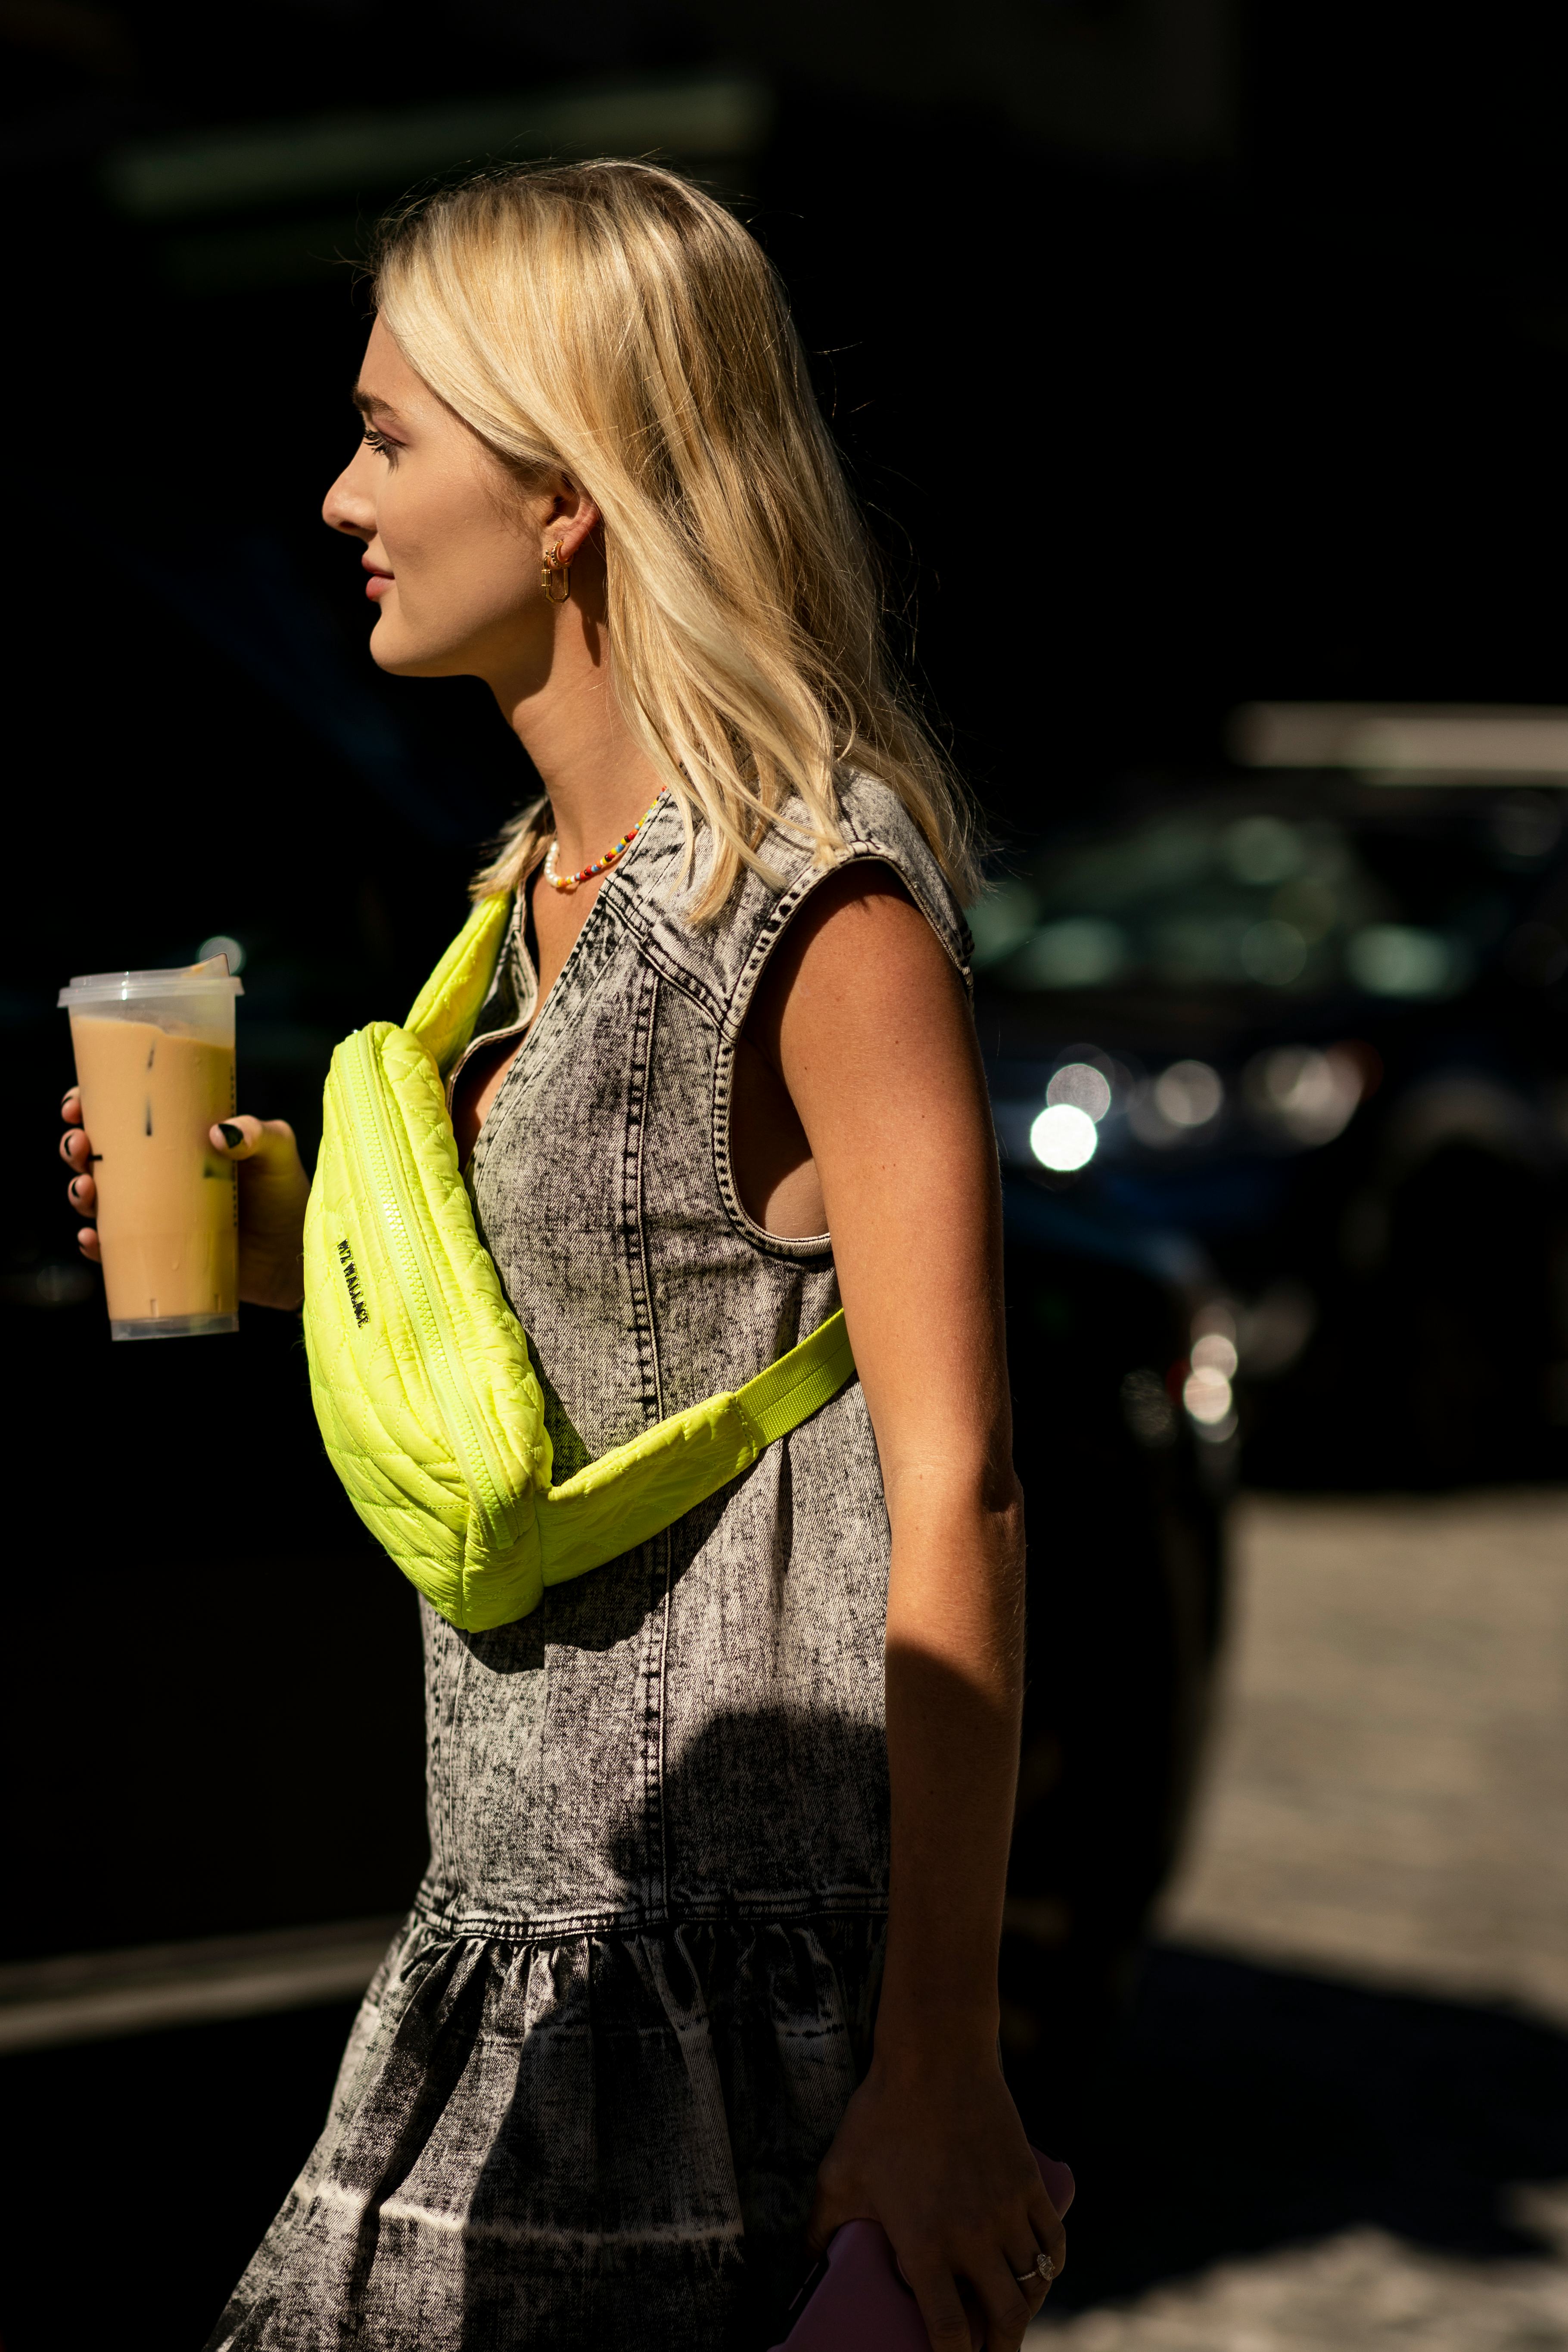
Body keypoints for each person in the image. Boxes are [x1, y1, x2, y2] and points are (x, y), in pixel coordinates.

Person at [59, 161, 1065, 2352]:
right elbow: (586, 1366)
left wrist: (939, 2066)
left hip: (720, 1999)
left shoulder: (817, 905)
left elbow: (956, 1486)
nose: (337, 496)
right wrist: (269, 1254)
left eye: (390, 438)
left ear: (568, 496)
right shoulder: (524, 907)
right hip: (511, 1944)